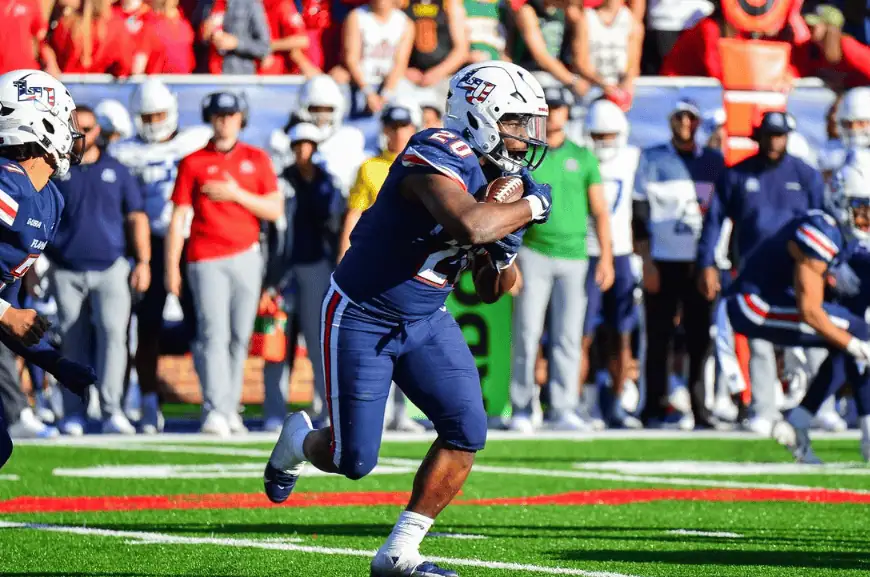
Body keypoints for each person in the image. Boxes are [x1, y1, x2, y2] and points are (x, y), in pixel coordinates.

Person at [263, 60, 552, 577]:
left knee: (467, 430)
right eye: (514, 121)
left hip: (426, 316)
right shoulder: (435, 149)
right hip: (362, 312)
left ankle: (399, 552)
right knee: (352, 460)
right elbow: (468, 223)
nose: (524, 136)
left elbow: (490, 291)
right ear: (479, 114)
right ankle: (298, 443)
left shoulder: (506, 180)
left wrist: (506, 251)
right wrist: (527, 209)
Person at [717, 148, 870, 464]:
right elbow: (810, 311)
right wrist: (857, 345)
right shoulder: (820, 231)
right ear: (841, 201)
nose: (867, 219)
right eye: (862, 209)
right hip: (751, 305)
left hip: (767, 300)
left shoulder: (838, 234)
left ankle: (798, 423)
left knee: (850, 336)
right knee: (856, 334)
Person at [697, 111, 826, 436]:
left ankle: (821, 406)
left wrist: (830, 267)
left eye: (779, 135)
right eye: (769, 135)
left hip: (800, 271)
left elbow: (825, 223)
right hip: (754, 271)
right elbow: (714, 221)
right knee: (759, 339)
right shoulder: (737, 175)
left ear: (787, 137)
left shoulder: (806, 174)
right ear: (759, 136)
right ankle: (763, 408)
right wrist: (706, 263)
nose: (774, 142)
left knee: (815, 333)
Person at [166, 91, 283, 437]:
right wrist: (171, 267)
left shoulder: (256, 158)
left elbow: (274, 209)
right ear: (210, 118)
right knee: (212, 334)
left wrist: (236, 194)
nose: (225, 121)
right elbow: (178, 217)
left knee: (239, 336)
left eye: (230, 115)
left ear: (240, 118)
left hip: (247, 255)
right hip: (205, 257)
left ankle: (229, 408)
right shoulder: (193, 161)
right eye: (219, 115)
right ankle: (215, 407)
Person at [0, 69, 98, 465]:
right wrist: (6, 314)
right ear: (39, 122)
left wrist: (54, 363)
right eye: (65, 120)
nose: (73, 133)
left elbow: (9, 310)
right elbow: (7, 314)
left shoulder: (49, 199)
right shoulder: (7, 184)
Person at [508, 81, 613, 433]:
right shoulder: (525, 156)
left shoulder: (583, 157)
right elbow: (508, 210)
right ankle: (523, 407)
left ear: (568, 113)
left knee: (568, 337)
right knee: (527, 334)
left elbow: (600, 211)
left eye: (560, 108)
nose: (554, 114)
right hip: (532, 253)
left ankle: (563, 407)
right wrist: (510, 260)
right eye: (549, 108)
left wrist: (606, 257)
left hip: (575, 256)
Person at [111, 78, 213, 434]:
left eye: (159, 114)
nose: (154, 122)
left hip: (191, 241)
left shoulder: (195, 140)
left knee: (203, 324)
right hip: (148, 245)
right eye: (147, 116)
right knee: (147, 325)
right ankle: (149, 401)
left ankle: (213, 401)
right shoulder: (124, 152)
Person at [47, 105, 151, 437]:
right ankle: (73, 412)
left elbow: (136, 217)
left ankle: (112, 410)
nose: (81, 135)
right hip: (65, 268)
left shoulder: (118, 170)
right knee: (71, 342)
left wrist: (144, 261)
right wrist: (36, 265)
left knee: (114, 338)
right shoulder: (55, 171)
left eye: (88, 128)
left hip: (112, 269)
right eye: (75, 128)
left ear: (99, 132)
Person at [633, 97, 726, 429]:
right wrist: (647, 263)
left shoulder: (714, 161)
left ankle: (701, 409)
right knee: (659, 337)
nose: (685, 123)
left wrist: (711, 264)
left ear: (698, 123)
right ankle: (654, 408)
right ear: (671, 120)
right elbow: (639, 214)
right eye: (679, 117)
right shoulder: (652, 157)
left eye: (691, 118)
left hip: (700, 263)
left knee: (700, 339)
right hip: (662, 260)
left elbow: (720, 217)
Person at [340, 99, 426, 432]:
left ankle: (403, 411)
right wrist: (344, 257)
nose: (398, 133)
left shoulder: (426, 165)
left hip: (414, 263)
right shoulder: (370, 167)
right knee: (378, 338)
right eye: (392, 127)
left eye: (403, 126)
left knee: (411, 337)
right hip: (377, 262)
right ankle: (381, 410)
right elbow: (354, 214)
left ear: (413, 129)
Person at [261, 122, 344, 431]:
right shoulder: (280, 181)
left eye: (308, 145)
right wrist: (268, 276)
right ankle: (273, 410)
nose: (302, 152)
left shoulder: (328, 183)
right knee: (276, 342)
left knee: (320, 341)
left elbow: (334, 224)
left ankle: (326, 407)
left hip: (317, 268)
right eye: (298, 146)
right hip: (280, 273)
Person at [580, 98, 641, 429]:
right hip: (585, 252)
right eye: (597, 135)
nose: (603, 142)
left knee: (622, 333)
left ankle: (617, 402)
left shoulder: (632, 159)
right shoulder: (579, 158)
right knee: (582, 333)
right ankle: (583, 403)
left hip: (622, 251)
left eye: (609, 135)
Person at [270, 74, 367, 195]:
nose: (321, 115)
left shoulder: (349, 138)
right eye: (315, 109)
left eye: (327, 109)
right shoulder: (282, 139)